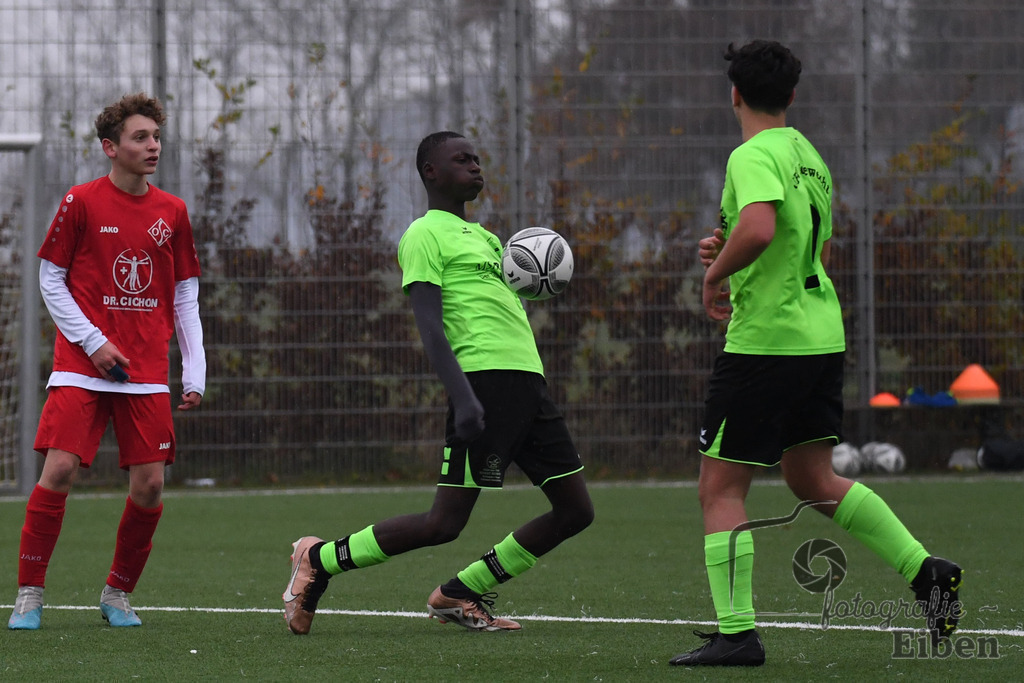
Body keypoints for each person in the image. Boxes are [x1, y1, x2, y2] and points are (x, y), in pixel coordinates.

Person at [670, 40, 962, 667]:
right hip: (821, 336)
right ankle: (925, 571)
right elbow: (810, 249)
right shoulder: (809, 156)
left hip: (767, 342)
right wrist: (730, 251)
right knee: (812, 478)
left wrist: (715, 273)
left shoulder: (751, 154)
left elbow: (759, 229)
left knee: (720, 489)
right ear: (792, 96)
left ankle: (737, 635)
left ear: (734, 94)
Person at [282, 131, 594, 635]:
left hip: (527, 385)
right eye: (462, 159)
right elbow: (430, 327)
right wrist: (464, 397)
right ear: (431, 171)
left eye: (477, 159)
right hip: (484, 386)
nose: (475, 166)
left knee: (576, 510)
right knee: (443, 524)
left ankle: (460, 591)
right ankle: (320, 559)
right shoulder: (424, 235)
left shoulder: (489, 239)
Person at [7, 93, 205, 630]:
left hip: (144, 370)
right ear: (110, 148)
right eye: (140, 138)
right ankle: (29, 594)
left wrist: (195, 370)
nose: (153, 146)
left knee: (151, 486)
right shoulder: (81, 201)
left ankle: (117, 594)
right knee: (60, 469)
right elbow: (51, 279)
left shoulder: (173, 212)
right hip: (81, 364)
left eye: (156, 137)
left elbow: (185, 294)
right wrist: (93, 342)